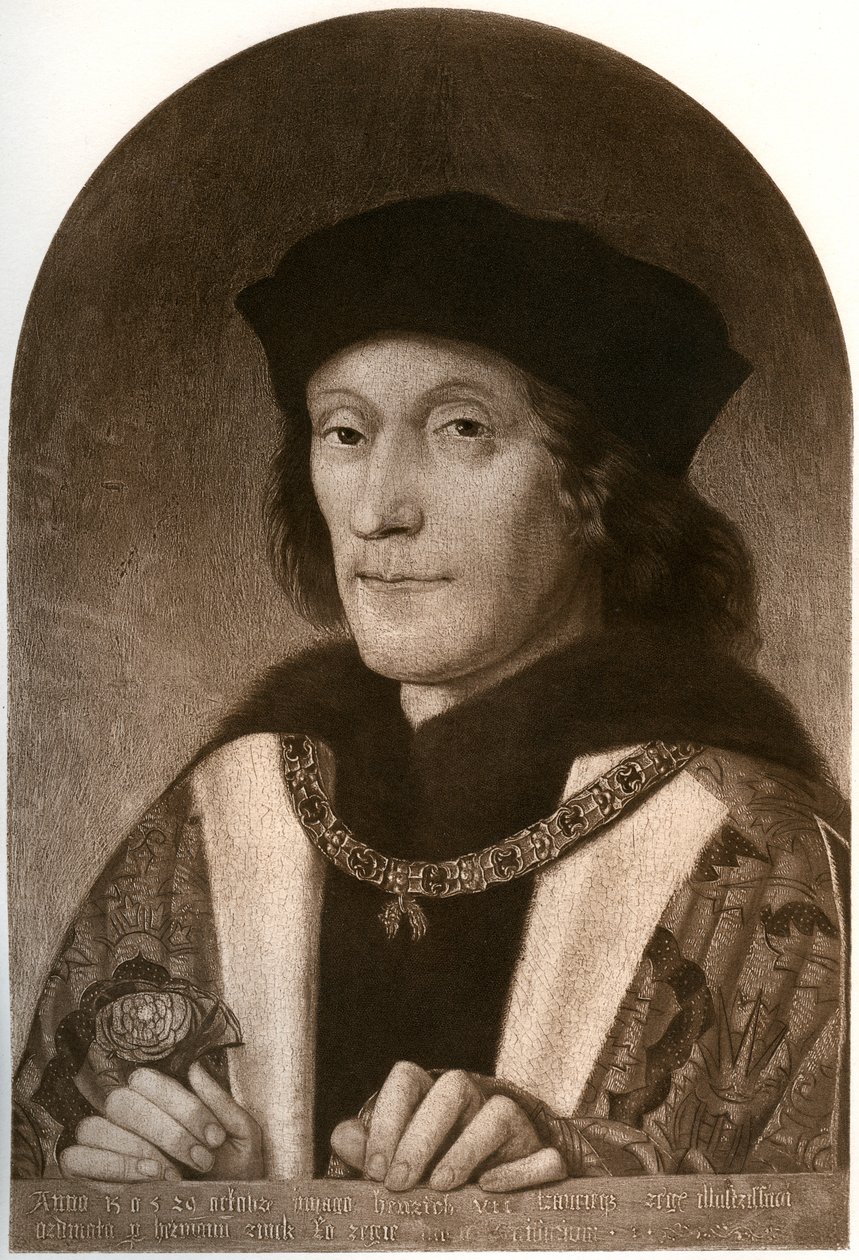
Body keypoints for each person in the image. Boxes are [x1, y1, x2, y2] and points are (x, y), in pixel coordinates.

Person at [13, 193, 847, 1189]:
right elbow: (29, 1168)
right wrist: (171, 1193)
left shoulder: (754, 849)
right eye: (344, 433)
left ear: (598, 491)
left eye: (460, 428)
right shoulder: (220, 814)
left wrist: (576, 1177)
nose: (379, 510)